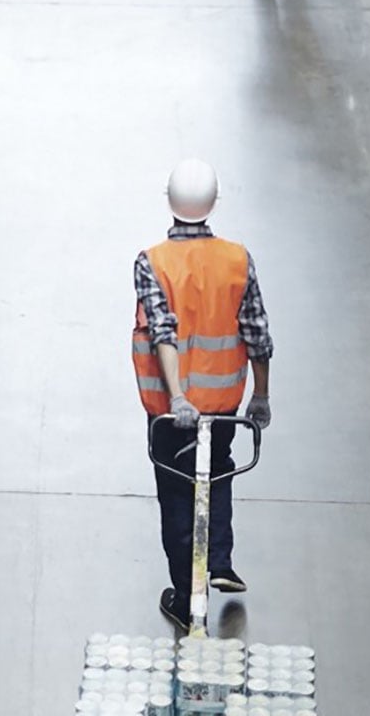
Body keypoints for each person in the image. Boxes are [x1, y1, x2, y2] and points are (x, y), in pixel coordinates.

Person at [132, 159, 274, 631]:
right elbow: (256, 331)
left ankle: (184, 592)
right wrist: (261, 395)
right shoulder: (237, 258)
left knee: (176, 492)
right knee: (217, 473)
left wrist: (176, 397)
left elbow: (163, 333)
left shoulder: (153, 261)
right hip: (222, 402)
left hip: (170, 413)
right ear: (213, 205)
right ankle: (219, 561)